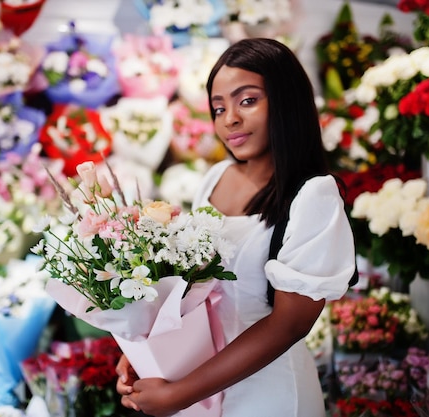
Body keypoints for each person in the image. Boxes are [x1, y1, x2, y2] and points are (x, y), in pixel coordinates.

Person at [116, 37, 356, 417]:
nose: (230, 119)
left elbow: (288, 324)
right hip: (200, 377)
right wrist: (147, 352)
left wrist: (181, 393)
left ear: (286, 100)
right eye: (218, 107)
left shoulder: (313, 195)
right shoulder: (215, 177)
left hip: (269, 389)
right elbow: (189, 287)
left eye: (247, 101)